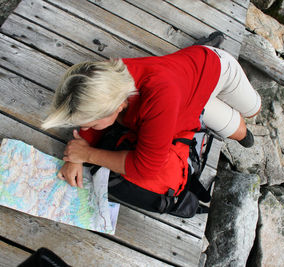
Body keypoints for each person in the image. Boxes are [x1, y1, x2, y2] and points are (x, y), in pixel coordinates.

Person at [41, 33, 261, 212]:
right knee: (236, 130)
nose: (84, 129)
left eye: (90, 123)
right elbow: (88, 116)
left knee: (252, 113)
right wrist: (75, 158)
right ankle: (191, 74)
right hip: (185, 95)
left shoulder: (158, 98)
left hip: (217, 70)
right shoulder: (102, 78)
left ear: (118, 106)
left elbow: (146, 168)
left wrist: (87, 155)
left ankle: (208, 50)